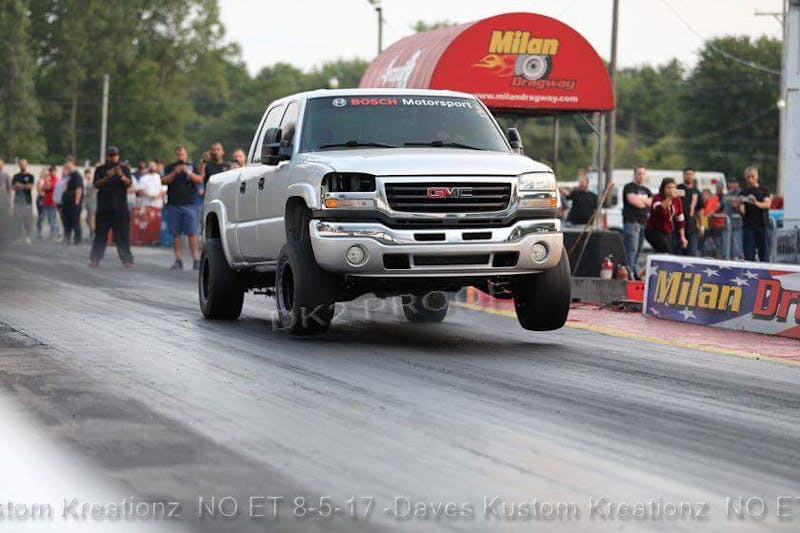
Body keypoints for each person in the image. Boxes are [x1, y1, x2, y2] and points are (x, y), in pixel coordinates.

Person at [90, 146, 134, 267]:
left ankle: (127, 259)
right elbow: (96, 184)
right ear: (107, 156)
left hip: (120, 208)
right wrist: (107, 177)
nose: (113, 157)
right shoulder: (100, 169)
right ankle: (95, 258)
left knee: (122, 235)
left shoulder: (124, 169)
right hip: (104, 208)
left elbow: (129, 184)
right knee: (101, 234)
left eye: (115, 155)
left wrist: (121, 175)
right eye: (111, 155)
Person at [162, 146, 204, 270]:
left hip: (189, 205)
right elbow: (163, 181)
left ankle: (196, 259)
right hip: (173, 205)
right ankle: (178, 260)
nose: (181, 156)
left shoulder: (192, 167)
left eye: (183, 154)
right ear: (176, 155)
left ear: (186, 155)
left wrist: (187, 172)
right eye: (179, 154)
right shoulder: (170, 167)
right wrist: (175, 172)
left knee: (192, 233)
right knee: (175, 234)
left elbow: (199, 179)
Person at [622, 165, 653, 275]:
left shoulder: (647, 190)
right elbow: (633, 201)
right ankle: (628, 273)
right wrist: (644, 201)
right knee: (631, 250)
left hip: (643, 223)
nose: (641, 176)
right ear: (634, 174)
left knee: (639, 251)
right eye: (639, 173)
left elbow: (651, 203)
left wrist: (640, 200)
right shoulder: (629, 187)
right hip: (631, 223)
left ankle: (633, 273)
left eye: (643, 174)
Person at [645, 178, 687, 254]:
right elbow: (659, 209)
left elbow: (680, 218)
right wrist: (669, 198)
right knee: (666, 251)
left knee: (666, 252)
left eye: (673, 188)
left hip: (667, 231)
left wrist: (682, 236)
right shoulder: (657, 198)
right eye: (668, 188)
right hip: (654, 230)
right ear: (663, 189)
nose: (671, 190)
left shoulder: (677, 200)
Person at [739, 166, 772, 262]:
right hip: (748, 226)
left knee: (764, 255)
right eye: (748, 177)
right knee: (749, 255)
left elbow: (767, 204)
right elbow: (742, 211)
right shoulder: (744, 191)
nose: (750, 179)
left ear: (757, 176)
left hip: (762, 226)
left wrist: (755, 202)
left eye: (752, 176)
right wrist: (739, 204)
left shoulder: (764, 190)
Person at [675, 167, 703, 256]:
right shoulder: (678, 188)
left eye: (691, 174)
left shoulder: (696, 191)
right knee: (678, 253)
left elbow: (699, 210)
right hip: (678, 226)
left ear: (693, 176)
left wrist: (701, 225)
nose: (689, 176)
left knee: (691, 253)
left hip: (692, 226)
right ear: (683, 175)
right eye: (687, 174)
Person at [12, 160, 36, 243]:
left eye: (24, 164)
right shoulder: (16, 176)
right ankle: (18, 237)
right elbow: (13, 187)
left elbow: (31, 187)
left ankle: (28, 237)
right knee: (17, 220)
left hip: (27, 202)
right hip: (17, 202)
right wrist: (23, 186)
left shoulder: (30, 176)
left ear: (27, 165)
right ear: (19, 165)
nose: (23, 166)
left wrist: (20, 185)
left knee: (27, 220)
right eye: (21, 164)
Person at [61, 157, 84, 244]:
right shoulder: (68, 175)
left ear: (71, 163)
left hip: (73, 202)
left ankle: (77, 239)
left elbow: (79, 188)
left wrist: (77, 201)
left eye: (67, 163)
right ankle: (67, 238)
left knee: (75, 221)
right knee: (67, 221)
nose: (66, 165)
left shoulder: (77, 175)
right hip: (67, 201)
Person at [723, 179, 743, 260]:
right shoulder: (727, 193)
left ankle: (737, 258)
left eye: (734, 183)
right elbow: (721, 205)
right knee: (726, 244)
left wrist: (735, 202)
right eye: (730, 183)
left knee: (736, 243)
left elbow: (737, 205)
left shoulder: (740, 193)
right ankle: (727, 258)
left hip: (737, 224)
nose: (732, 184)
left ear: (738, 184)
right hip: (727, 224)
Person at [36, 166, 59, 240]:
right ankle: (38, 233)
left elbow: (48, 187)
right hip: (42, 200)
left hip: (50, 201)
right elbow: (40, 190)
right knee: (42, 217)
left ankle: (54, 234)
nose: (48, 175)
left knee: (51, 218)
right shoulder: (41, 180)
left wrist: (45, 187)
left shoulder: (52, 180)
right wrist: (45, 187)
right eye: (46, 174)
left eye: (48, 174)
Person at [83, 168, 97, 239]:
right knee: (88, 219)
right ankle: (92, 232)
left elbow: (95, 189)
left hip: (92, 201)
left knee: (91, 218)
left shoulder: (92, 181)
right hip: (87, 201)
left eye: (88, 174)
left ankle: (94, 233)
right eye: (86, 174)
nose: (87, 175)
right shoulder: (85, 181)